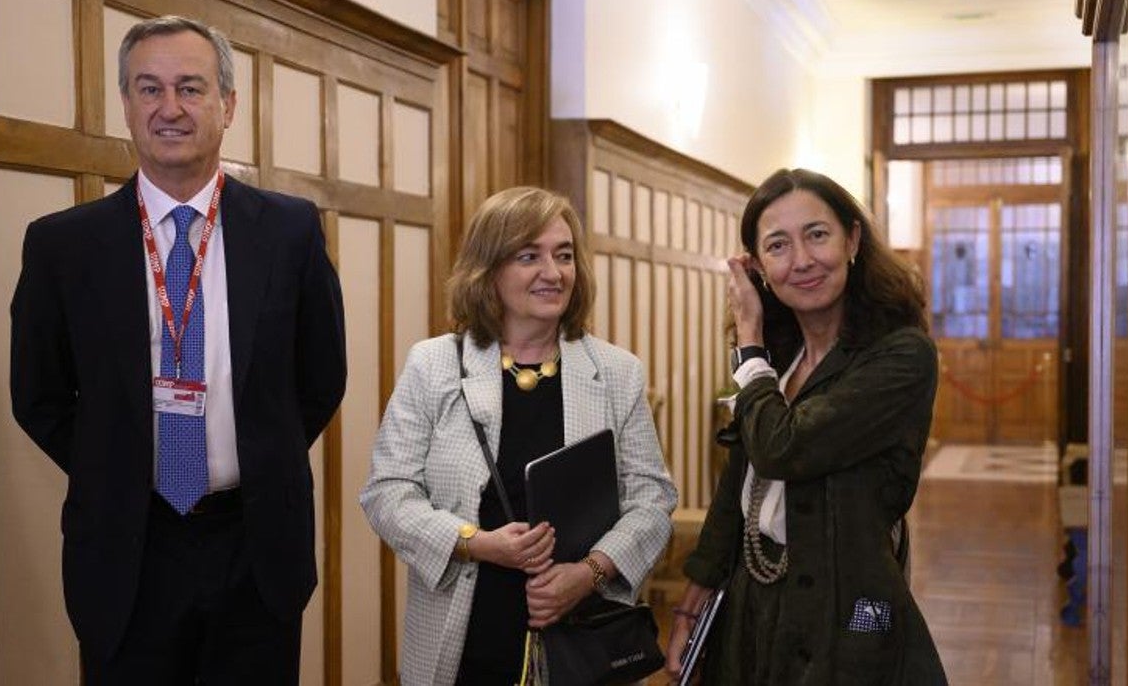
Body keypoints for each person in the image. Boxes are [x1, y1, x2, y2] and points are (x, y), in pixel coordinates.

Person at [9, 15, 346, 684]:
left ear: (228, 105)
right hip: (127, 553)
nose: (170, 108)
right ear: (126, 106)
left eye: (190, 88)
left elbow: (320, 379)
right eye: (149, 88)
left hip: (256, 550)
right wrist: (118, 469)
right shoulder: (64, 246)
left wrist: (251, 450)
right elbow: (39, 396)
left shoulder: (290, 232)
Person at [360, 186, 677, 685]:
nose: (553, 273)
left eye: (564, 255)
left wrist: (588, 573)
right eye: (529, 256)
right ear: (488, 270)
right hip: (463, 635)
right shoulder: (435, 364)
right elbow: (387, 493)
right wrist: (476, 543)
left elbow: (652, 500)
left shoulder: (617, 372)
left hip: (580, 637)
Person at [665, 168, 946, 685]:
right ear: (759, 267)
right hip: (754, 594)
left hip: (852, 607)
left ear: (853, 239)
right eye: (778, 245)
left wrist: (748, 345)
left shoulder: (901, 355)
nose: (802, 261)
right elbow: (741, 480)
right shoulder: (782, 357)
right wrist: (697, 590)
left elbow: (782, 448)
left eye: (817, 235)